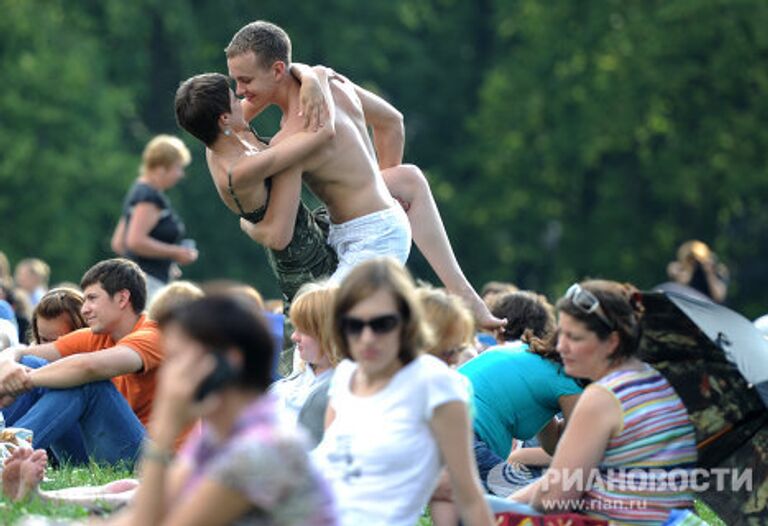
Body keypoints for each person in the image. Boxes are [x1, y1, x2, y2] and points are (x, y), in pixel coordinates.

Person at [223, 20, 503, 330]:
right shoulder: (335, 85)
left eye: (245, 80)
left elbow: (278, 234)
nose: (240, 91)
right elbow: (392, 122)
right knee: (408, 177)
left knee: (315, 326)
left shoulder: (293, 138)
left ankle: (432, 334)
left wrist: (245, 223)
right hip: (374, 222)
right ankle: (464, 294)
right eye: (235, 81)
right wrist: (311, 73)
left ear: (277, 70)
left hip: (373, 239)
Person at [498, 280, 698, 524]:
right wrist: (508, 504)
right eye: (561, 334)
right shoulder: (657, 384)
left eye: (575, 337)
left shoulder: (603, 397)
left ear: (612, 342)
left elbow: (556, 497)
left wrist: (498, 513)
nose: (561, 347)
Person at [313, 257, 493, 526]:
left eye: (382, 324)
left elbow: (467, 496)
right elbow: (331, 476)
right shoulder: (346, 376)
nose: (367, 337)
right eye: (355, 325)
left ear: (407, 322)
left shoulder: (434, 382)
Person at [0, 258, 161, 465]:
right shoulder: (96, 335)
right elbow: (25, 353)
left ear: (122, 298)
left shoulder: (154, 336)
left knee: (88, 383)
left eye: (92, 298)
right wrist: (9, 365)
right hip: (98, 449)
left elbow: (89, 367)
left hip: (150, 459)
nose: (85, 309)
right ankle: (7, 448)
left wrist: (25, 380)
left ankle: (6, 454)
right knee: (34, 363)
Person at [111, 135, 198, 300]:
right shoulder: (150, 197)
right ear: (161, 168)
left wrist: (162, 262)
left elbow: (118, 242)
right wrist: (175, 253)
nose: (181, 174)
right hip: (150, 283)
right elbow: (135, 241)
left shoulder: (137, 191)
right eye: (178, 167)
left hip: (138, 281)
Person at [270, 282, 338, 446]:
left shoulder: (353, 390)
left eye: (304, 329)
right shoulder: (281, 389)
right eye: (295, 327)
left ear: (328, 332)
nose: (294, 337)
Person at [658, 240, 729, 304]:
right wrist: (687, 268)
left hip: (709, 309)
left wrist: (709, 272)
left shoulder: (718, 270)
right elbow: (681, 287)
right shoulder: (688, 269)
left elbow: (719, 297)